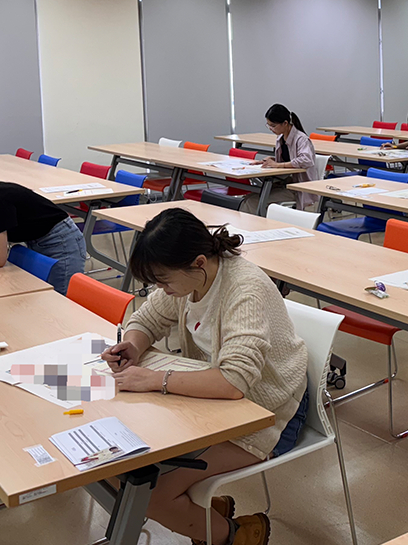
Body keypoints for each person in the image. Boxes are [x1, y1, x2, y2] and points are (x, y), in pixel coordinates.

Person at [102, 208, 307, 545]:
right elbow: (147, 319)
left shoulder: (243, 290)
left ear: (198, 262)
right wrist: (133, 347)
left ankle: (238, 536)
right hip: (217, 402)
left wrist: (154, 379)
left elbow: (233, 382)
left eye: (164, 281)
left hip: (270, 410)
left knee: (152, 494)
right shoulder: (191, 280)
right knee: (120, 463)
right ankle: (202, 513)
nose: (161, 289)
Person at [240, 104, 321, 213]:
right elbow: (288, 160)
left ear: (285, 123)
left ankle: (258, 223)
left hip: (298, 187)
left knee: (253, 202)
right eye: (268, 125)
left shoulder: (301, 139)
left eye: (273, 125)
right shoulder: (281, 138)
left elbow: (306, 160)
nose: (271, 129)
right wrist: (270, 161)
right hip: (284, 183)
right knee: (247, 198)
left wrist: (278, 165)